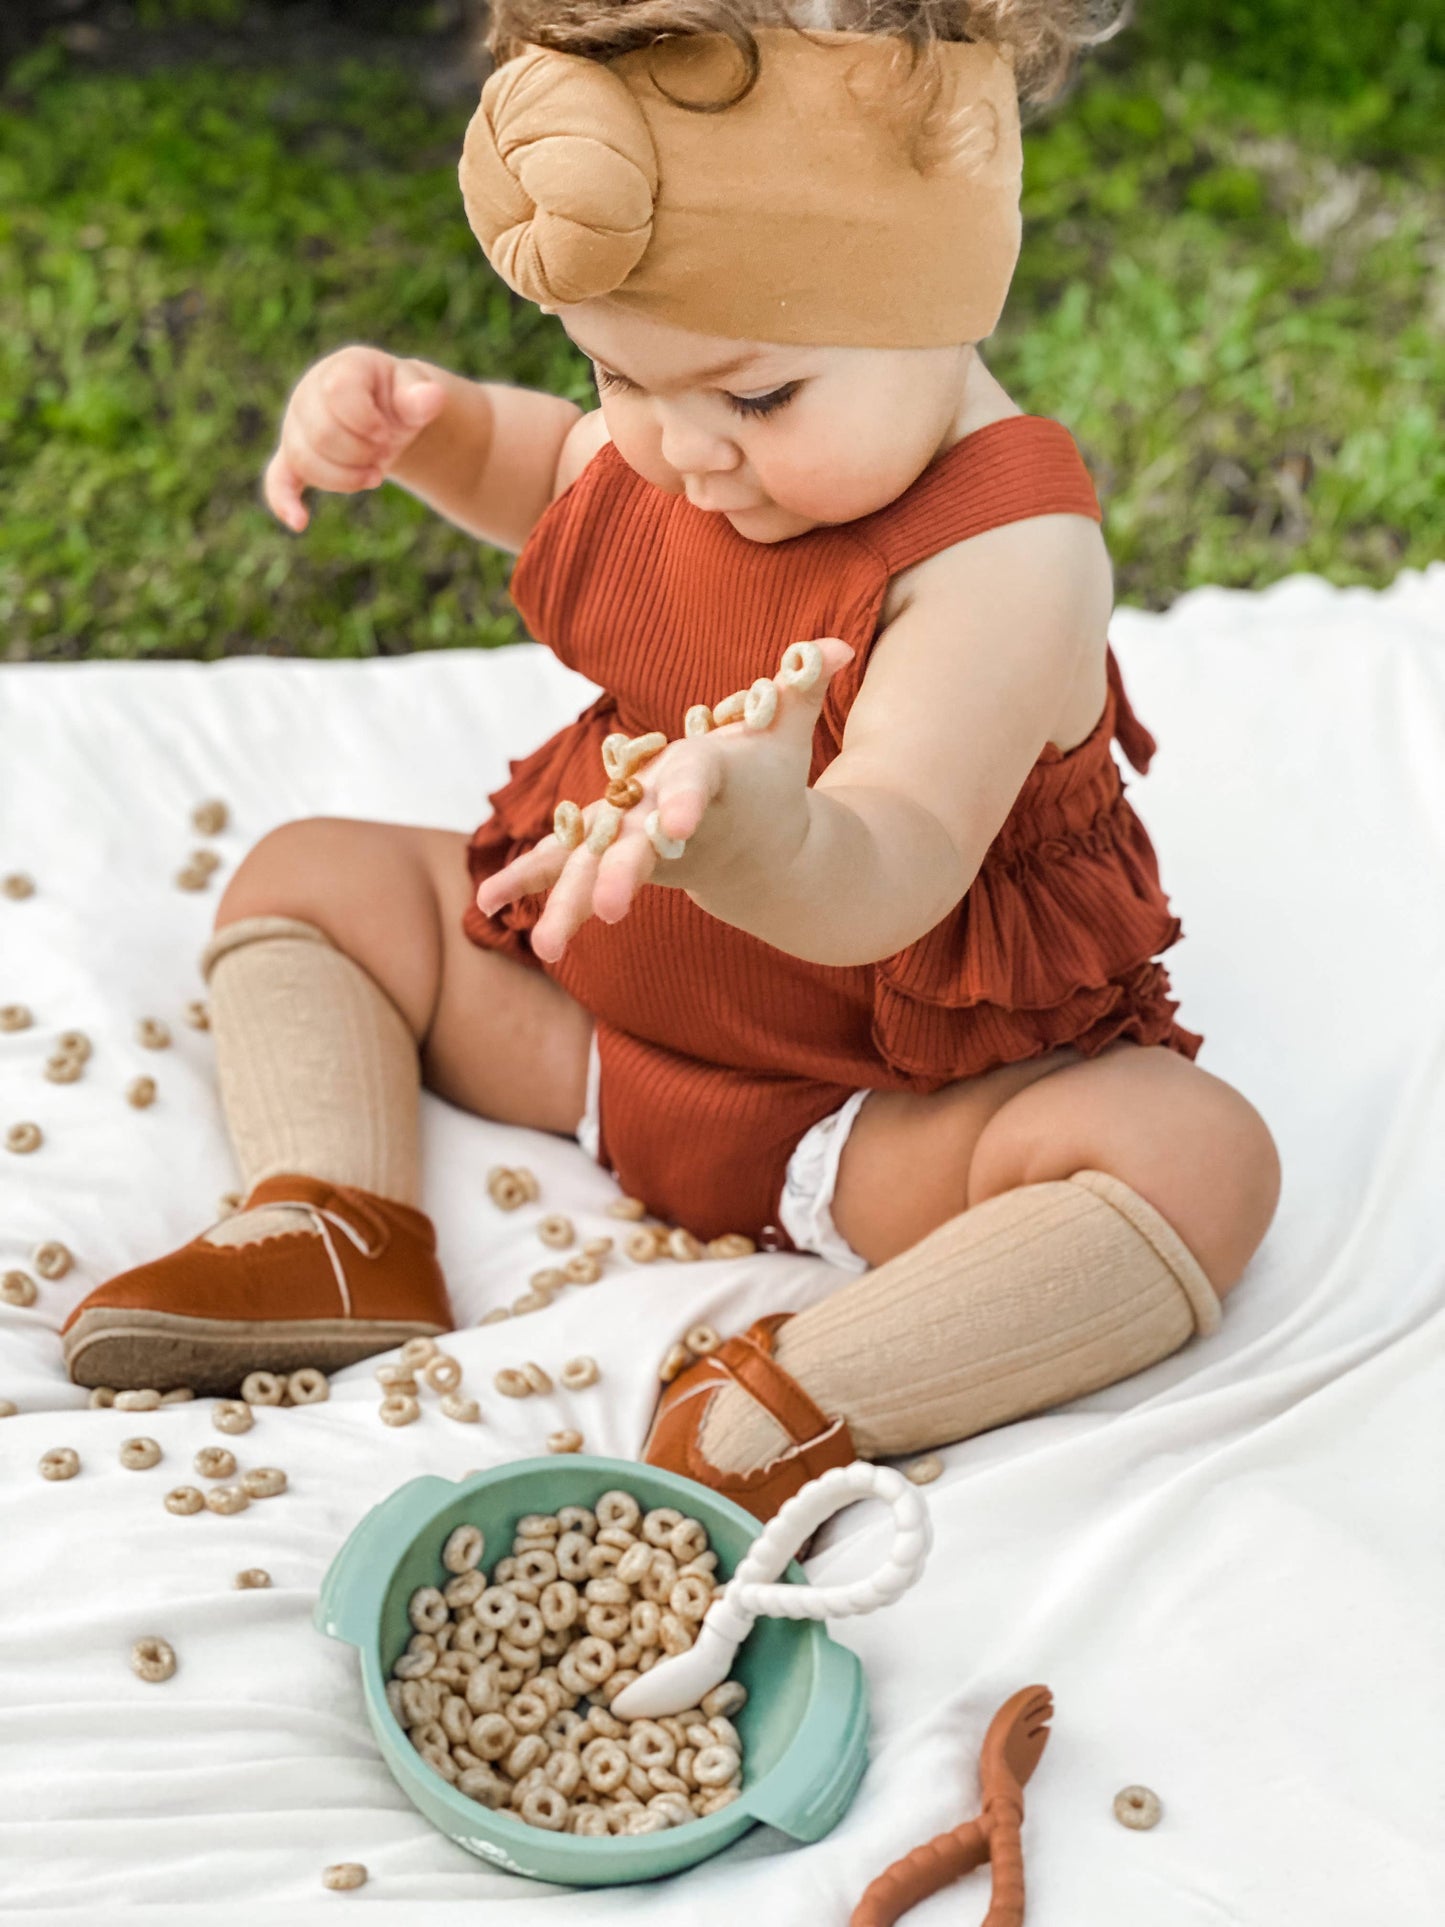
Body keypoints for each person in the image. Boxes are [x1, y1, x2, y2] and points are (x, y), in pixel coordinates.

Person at [62, 1, 1280, 1520]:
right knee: (312, 876)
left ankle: (794, 1398)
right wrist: (429, 429)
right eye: (616, 378)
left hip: (868, 1114)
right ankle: (335, 1221)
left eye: (754, 397)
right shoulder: (693, 443)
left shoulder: (1005, 563)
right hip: (592, 1030)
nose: (679, 451)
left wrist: (773, 839)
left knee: (1194, 1158)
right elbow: (549, 474)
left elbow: (893, 853)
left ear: (948, 283)